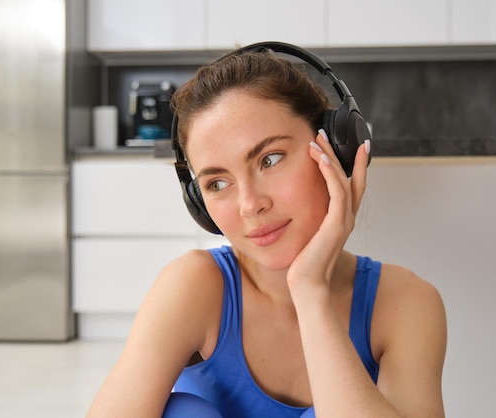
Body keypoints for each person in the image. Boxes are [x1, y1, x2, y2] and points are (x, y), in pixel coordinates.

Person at [86, 43, 447, 418]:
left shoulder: (405, 304)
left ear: (336, 150)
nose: (250, 204)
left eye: (269, 160)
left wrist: (310, 290)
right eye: (217, 183)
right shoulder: (194, 286)